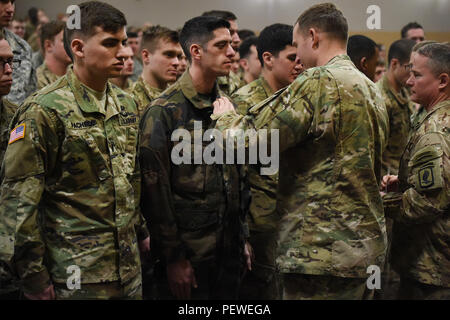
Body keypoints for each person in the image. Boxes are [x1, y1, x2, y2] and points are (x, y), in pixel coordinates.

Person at [212, 3, 388, 300]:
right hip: (363, 248)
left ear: (312, 37)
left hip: (320, 253)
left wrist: (225, 117)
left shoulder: (318, 81)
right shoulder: (371, 88)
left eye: (297, 46)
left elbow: (250, 142)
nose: (298, 57)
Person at [0, 1, 150, 300]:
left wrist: (142, 232)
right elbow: (18, 205)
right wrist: (34, 278)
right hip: (74, 276)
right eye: (110, 43)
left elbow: (129, 178)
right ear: (79, 48)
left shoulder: (127, 104)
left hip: (128, 269)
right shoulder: (43, 111)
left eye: (123, 42)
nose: (125, 52)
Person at [139, 15, 250, 300]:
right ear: (196, 52)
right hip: (191, 256)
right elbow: (155, 192)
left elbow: (240, 176)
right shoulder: (164, 111)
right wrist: (174, 258)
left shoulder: (228, 105)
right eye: (221, 45)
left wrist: (243, 238)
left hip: (229, 252)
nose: (231, 52)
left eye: (231, 45)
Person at [231, 22, 302, 300]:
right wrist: (242, 233)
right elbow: (234, 172)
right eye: (292, 58)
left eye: (301, 58)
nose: (299, 65)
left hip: (294, 221)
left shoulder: (299, 98)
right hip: (260, 222)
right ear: (268, 59)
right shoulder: (244, 102)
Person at [381, 42, 449, 299]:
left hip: (431, 267)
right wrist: (407, 182)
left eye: (417, 75)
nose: (409, 81)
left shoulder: (435, 131)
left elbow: (426, 203)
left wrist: (383, 202)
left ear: (442, 81)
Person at [0, 33, 20, 300]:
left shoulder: (18, 115)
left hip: (10, 256)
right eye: (0, 63)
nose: (8, 70)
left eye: (10, 61)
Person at [378, 39, 416, 176]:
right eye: (410, 69)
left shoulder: (405, 91)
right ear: (394, 64)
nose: (413, 76)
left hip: (402, 175)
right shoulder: (380, 98)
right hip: (385, 180)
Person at [131, 25, 182, 117]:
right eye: (169, 55)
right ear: (146, 56)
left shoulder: (181, 96)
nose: (176, 62)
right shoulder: (129, 100)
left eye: (178, 56)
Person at [0, 0, 36, 105]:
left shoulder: (22, 47)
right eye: (3, 1)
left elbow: (31, 93)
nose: (10, 9)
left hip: (15, 119)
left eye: (12, 2)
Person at [202, 10, 242, 95]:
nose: (237, 39)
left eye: (236, 32)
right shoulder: (184, 74)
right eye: (230, 32)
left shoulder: (233, 79)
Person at [36, 21, 72, 89]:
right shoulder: (37, 80)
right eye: (65, 41)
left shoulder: (76, 75)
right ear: (48, 45)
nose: (71, 46)